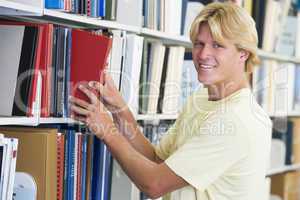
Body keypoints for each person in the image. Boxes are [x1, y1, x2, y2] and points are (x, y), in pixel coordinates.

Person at [69, 2, 272, 200]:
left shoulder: (235, 119)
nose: (203, 54)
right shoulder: (202, 98)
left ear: (243, 53)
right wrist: (119, 110)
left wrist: (106, 130)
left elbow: (155, 184)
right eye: (199, 44)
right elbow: (157, 160)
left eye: (217, 45)